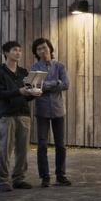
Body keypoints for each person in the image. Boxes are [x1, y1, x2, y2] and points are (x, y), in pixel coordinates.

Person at [0, 40, 40, 192]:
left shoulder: (24, 73)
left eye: (20, 50)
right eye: (14, 50)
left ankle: (19, 178)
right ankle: (2, 180)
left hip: (23, 114)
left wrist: (34, 94)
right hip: (7, 115)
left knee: (22, 149)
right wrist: (19, 91)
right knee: (6, 149)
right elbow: (0, 94)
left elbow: (26, 95)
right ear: (6, 53)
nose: (18, 53)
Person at [30, 37, 72, 187]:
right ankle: (45, 177)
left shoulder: (60, 66)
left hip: (58, 110)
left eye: (44, 47)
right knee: (42, 145)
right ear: (36, 52)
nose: (43, 50)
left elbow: (66, 84)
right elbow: (34, 87)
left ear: (50, 48)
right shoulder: (34, 68)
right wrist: (55, 83)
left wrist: (45, 85)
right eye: (39, 49)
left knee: (60, 145)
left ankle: (61, 175)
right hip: (41, 111)